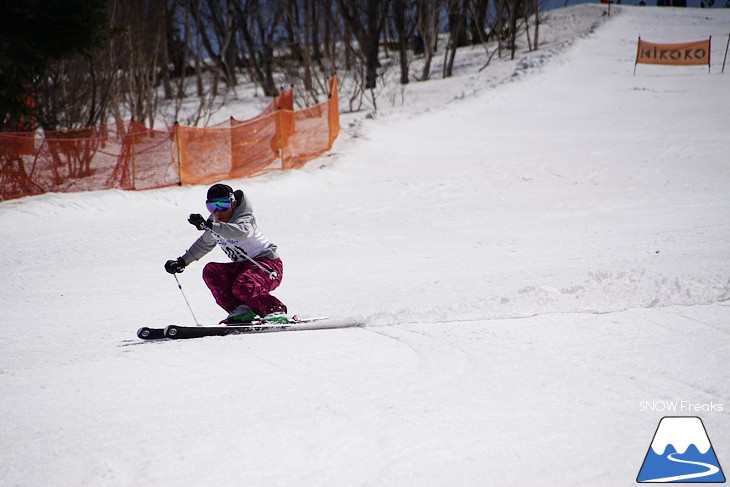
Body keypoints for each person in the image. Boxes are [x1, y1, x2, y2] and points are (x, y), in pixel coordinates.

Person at [164, 183, 287, 324]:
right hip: (244, 268)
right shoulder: (214, 221)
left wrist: (211, 226)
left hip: (268, 266)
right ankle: (242, 310)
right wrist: (182, 261)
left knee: (243, 284)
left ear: (233, 204)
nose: (217, 211)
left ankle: (274, 310)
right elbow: (205, 243)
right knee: (211, 271)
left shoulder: (244, 218)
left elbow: (243, 232)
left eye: (222, 205)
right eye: (211, 206)